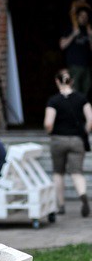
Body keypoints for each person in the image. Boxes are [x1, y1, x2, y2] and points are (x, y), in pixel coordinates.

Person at [44, 69, 92, 217]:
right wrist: (85, 132)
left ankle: (61, 205)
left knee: (58, 173)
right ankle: (83, 195)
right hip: (77, 139)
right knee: (77, 172)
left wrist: (50, 132)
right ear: (72, 81)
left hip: (58, 139)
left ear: (57, 81)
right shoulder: (82, 99)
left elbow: (48, 123)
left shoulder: (54, 100)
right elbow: (90, 119)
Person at [60, 6, 92, 97]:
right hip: (74, 66)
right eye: (81, 16)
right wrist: (73, 34)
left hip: (87, 66)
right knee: (75, 91)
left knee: (86, 92)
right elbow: (62, 45)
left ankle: (83, 110)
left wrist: (90, 36)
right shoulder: (70, 28)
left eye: (86, 16)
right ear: (77, 17)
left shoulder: (88, 30)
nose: (84, 18)